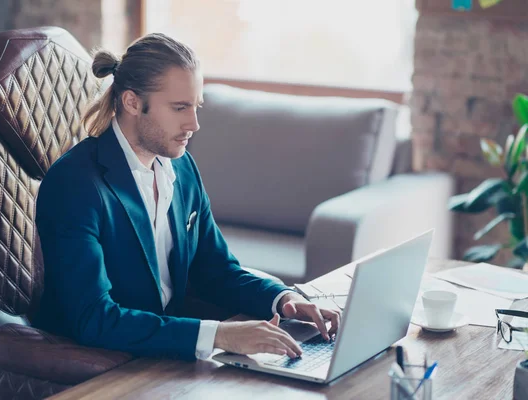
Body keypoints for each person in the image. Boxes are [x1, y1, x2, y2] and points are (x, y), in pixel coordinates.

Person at [34, 33, 340, 361]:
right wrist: (220, 335)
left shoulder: (181, 169)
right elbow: (93, 319)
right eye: (180, 107)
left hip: (167, 351)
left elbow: (216, 269)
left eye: (196, 106)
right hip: (102, 363)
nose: (193, 123)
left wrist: (284, 300)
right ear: (132, 102)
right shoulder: (75, 183)